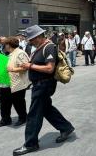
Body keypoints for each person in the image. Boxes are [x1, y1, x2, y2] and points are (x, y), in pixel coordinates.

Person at [13, 25, 74, 156]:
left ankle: (30, 143)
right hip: (39, 84)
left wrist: (30, 65)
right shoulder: (39, 48)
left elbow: (49, 68)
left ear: (39, 37)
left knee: (34, 114)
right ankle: (66, 128)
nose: (30, 42)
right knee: (46, 109)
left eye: (32, 39)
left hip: (44, 85)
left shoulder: (49, 47)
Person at [0, 37, 30, 128]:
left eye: (5, 45)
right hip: (7, 82)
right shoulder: (10, 54)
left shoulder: (20, 53)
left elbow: (26, 67)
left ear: (8, 45)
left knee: (18, 102)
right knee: (4, 101)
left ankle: (23, 118)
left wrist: (13, 69)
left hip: (18, 82)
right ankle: (5, 119)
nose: (3, 46)